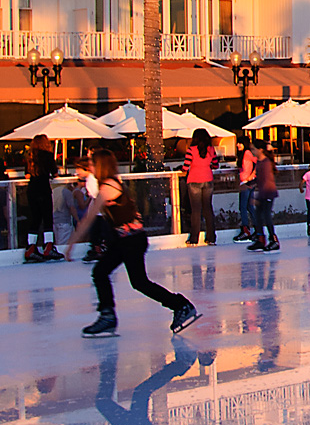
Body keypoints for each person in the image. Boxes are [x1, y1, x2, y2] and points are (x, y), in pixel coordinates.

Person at [67, 149, 199, 338]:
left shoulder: (109, 186)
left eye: (94, 164)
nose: (91, 168)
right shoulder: (107, 183)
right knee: (103, 273)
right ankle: (108, 316)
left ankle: (180, 305)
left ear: (101, 166)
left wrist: (71, 243)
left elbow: (89, 218)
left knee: (138, 282)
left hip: (132, 241)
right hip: (124, 240)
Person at [23, 135, 59, 263]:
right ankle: (48, 246)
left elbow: (27, 174)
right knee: (47, 218)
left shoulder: (30, 156)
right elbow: (55, 173)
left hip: (32, 190)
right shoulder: (48, 156)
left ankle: (31, 247)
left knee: (35, 218)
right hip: (43, 189)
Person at [182, 129, 219, 246]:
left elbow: (185, 167)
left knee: (196, 210)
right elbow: (215, 165)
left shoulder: (191, 150)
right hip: (208, 180)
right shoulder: (211, 150)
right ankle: (211, 237)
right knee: (208, 209)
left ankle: (194, 238)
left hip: (194, 180)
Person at [247, 139, 280, 252]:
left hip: (268, 192)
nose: (252, 151)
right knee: (258, 215)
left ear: (260, 150)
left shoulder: (266, 163)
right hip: (263, 193)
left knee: (266, 216)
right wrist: (250, 183)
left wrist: (259, 197)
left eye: (253, 149)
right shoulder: (260, 162)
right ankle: (261, 239)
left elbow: (266, 180)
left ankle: (274, 240)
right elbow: (259, 178)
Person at [234, 139, 260, 242]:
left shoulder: (247, 153)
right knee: (249, 206)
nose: (237, 145)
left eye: (240, 143)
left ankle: (246, 229)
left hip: (247, 183)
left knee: (243, 207)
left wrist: (252, 175)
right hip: (244, 182)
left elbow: (258, 162)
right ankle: (257, 229)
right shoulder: (242, 154)